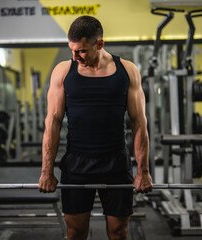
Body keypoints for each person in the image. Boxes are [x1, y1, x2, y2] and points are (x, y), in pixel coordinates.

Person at [39, 15, 153, 240]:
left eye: (81, 51)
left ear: (99, 44)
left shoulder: (127, 70)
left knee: (118, 233)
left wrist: (144, 171)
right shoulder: (63, 72)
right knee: (76, 233)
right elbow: (52, 122)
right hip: (77, 164)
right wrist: (46, 171)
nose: (75, 56)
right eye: (71, 50)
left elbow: (139, 123)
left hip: (116, 163)